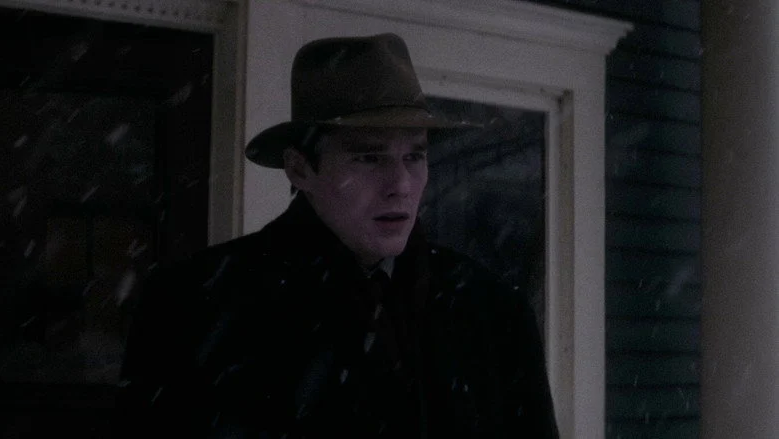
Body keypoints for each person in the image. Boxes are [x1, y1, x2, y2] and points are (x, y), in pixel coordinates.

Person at [114, 33, 559, 438]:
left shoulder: (492, 312)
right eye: (369, 157)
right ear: (299, 168)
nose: (401, 185)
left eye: (414, 156)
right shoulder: (195, 305)